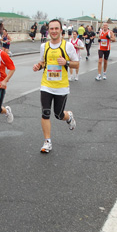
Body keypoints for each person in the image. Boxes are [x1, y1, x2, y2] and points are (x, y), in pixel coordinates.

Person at [32, 19, 79, 153]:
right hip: (46, 85)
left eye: (56, 28)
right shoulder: (44, 46)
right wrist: (38, 66)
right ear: (48, 31)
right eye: (51, 29)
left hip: (61, 86)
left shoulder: (67, 46)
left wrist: (66, 63)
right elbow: (42, 62)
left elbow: (76, 63)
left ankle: (68, 116)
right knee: (45, 113)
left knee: (58, 115)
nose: (53, 31)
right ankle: (47, 142)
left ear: (60, 30)